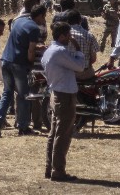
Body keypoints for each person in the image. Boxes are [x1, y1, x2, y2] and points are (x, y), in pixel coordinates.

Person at [0, 5, 47, 137]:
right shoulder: (34, 28)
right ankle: (23, 127)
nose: (44, 20)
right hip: (19, 64)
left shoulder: (18, 22)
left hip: (6, 60)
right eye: (43, 17)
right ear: (39, 16)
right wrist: (31, 63)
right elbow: (30, 52)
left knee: (7, 93)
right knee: (23, 95)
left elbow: (21, 41)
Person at [42, 22, 84, 181]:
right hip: (64, 95)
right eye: (68, 35)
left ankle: (50, 167)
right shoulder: (60, 51)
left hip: (55, 92)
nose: (70, 38)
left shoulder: (49, 51)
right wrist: (78, 49)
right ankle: (58, 170)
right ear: (62, 36)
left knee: (54, 133)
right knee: (63, 134)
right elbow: (80, 66)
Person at [65, 11, 99, 81]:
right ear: (80, 21)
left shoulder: (63, 36)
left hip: (68, 74)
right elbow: (93, 59)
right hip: (86, 74)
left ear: (67, 21)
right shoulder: (89, 35)